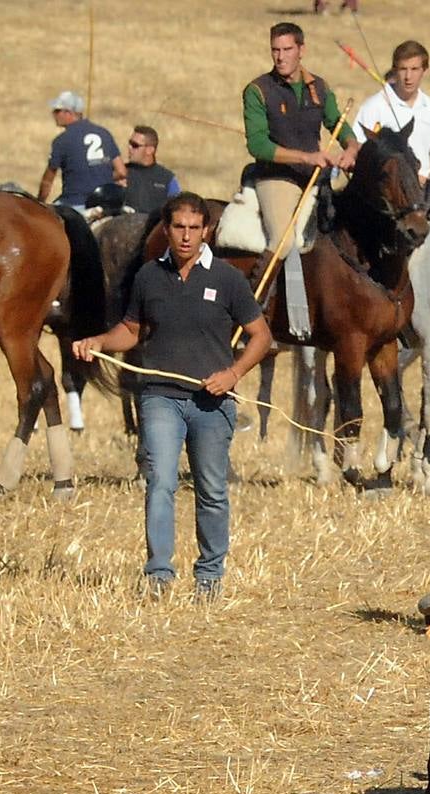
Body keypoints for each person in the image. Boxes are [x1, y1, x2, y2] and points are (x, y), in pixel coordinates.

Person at [72, 193, 272, 599]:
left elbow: (261, 336)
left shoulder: (228, 279)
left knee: (211, 490)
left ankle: (209, 576)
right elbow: (131, 331)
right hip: (160, 398)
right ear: (166, 229)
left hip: (211, 403)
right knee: (160, 483)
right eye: (178, 227)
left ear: (206, 231)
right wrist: (99, 341)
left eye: (194, 228)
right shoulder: (148, 276)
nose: (185, 236)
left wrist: (232, 374)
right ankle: (158, 575)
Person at [243, 21, 359, 293]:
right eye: (275, 50)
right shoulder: (258, 90)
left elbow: (337, 122)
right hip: (276, 178)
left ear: (301, 50)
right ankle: (253, 302)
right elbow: (258, 145)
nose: (280, 57)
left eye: (287, 49)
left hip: (316, 177)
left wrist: (352, 147)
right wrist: (307, 158)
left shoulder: (319, 87)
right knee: (283, 242)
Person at [354, 40, 430, 189]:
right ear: (394, 70)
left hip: (423, 189)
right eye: (403, 69)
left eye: (414, 69)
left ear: (425, 71)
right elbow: (359, 150)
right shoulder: (373, 107)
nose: (408, 76)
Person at [37, 90, 127, 210]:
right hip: (106, 202)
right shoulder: (104, 133)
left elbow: (47, 182)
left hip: (75, 202)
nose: (54, 114)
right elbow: (121, 171)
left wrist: (39, 203)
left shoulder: (62, 140)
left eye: (57, 111)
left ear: (69, 113)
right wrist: (99, 176)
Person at [124, 125, 180, 214]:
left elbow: (177, 210)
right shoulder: (120, 173)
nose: (129, 148)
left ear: (150, 150)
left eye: (135, 145)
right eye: (129, 143)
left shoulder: (167, 179)